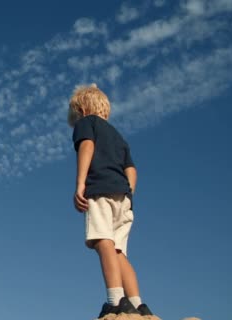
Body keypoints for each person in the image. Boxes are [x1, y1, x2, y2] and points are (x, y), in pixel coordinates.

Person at [68, 84, 154, 318]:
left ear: (83, 110)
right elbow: (132, 170)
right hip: (123, 197)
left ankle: (116, 301)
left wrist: (81, 184)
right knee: (118, 251)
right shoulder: (118, 137)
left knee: (103, 242)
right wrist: (127, 193)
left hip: (100, 191)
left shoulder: (87, 124)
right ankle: (138, 304)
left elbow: (87, 146)